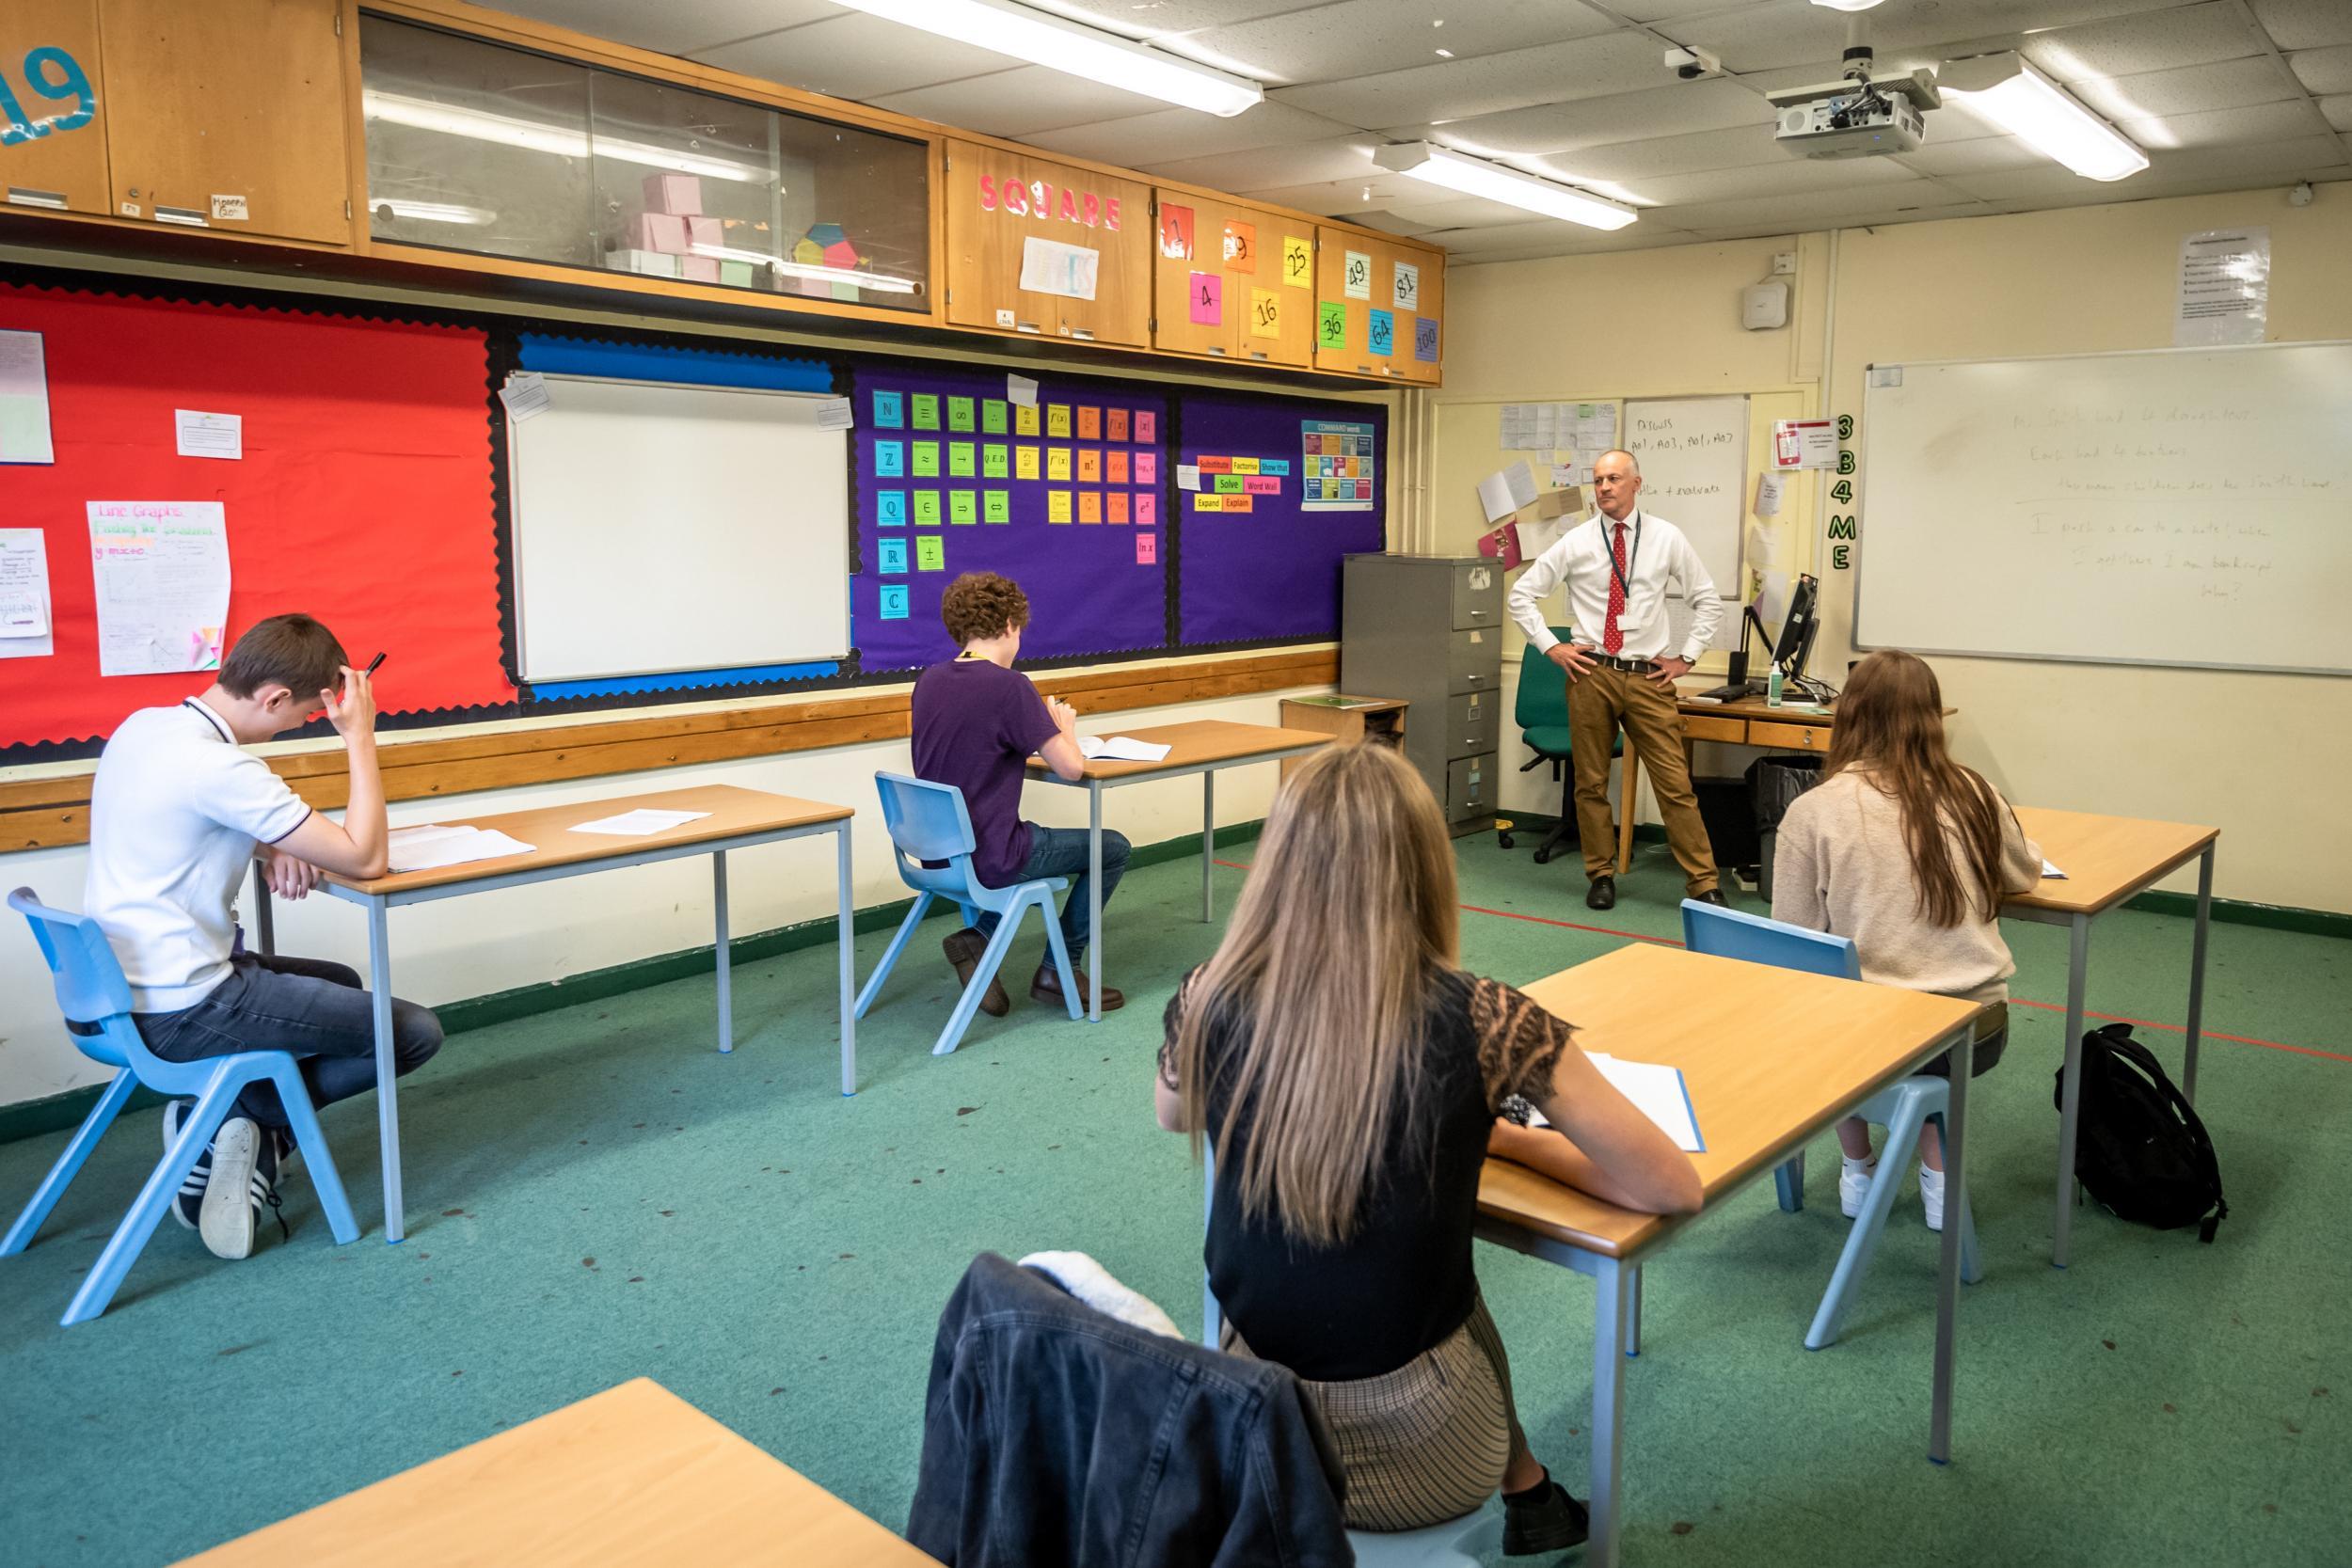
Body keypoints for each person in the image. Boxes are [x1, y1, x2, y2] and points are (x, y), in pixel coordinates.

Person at [1155, 742, 1700, 1552]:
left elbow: (1175, 1112)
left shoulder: (1210, 991)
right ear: (1425, 867)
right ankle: (1529, 1490)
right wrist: (1510, 1142)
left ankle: (1532, 1490)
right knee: (1455, 1299)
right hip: (1422, 1454)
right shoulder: (1488, 1019)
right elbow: (1671, 1187)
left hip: (1248, 1414)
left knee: (1415, 1275)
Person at [83, 614, 443, 1262]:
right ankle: (243, 1117)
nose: (300, 723)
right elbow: (365, 858)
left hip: (112, 994)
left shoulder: (144, 728)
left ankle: (232, 1119)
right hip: (185, 1007)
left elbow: (178, 819)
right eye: (302, 714)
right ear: (274, 696)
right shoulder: (223, 769)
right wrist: (359, 737)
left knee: (341, 983)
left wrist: (268, 840)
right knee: (411, 1031)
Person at [1771, 649, 2042, 1230]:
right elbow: (2023, 875)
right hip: (1978, 1028)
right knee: (1908, 1037)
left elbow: (1793, 944)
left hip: (1867, 1036)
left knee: (1833, 1002)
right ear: (1932, 717)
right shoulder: (1975, 791)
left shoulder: (1813, 811)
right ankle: (1940, 1181)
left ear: (1848, 717)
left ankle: (1857, 1169)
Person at [1504, 449, 1724, 911]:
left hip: (1648, 678)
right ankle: (1600, 875)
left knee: (1674, 784)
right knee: (1591, 783)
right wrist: (1551, 646)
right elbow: (1522, 594)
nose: (1604, 488)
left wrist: (1686, 657)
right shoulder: (1578, 541)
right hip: (1592, 675)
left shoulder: (1666, 537)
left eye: (1613, 479)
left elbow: (1708, 600)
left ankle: (1703, 883)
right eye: (1598, 480)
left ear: (1636, 484)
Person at [911, 572, 1128, 1015]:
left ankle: (979, 937)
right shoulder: (1010, 686)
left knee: (1038, 848)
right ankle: (1058, 969)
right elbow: (1072, 768)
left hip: (936, 853)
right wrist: (1065, 729)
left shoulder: (929, 680)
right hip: (990, 855)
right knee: (1112, 848)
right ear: (1011, 623)